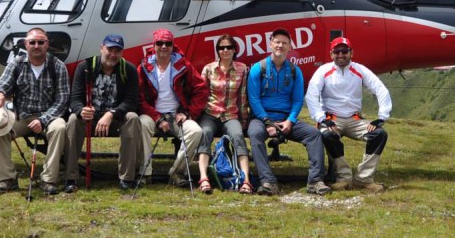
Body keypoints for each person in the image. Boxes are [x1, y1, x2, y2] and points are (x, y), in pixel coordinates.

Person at [246, 28, 330, 195]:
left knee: (313, 134)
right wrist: (267, 121)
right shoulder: (258, 69)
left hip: (286, 118)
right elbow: (253, 99)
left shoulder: (294, 71)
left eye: (284, 43)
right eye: (277, 42)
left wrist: (290, 121)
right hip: (262, 118)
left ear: (290, 47)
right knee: (255, 134)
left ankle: (315, 181)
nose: (280, 46)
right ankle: (268, 181)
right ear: (270, 44)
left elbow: (298, 100)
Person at [0, 28, 70, 196]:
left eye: (41, 42)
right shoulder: (16, 64)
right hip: (22, 116)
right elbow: (2, 84)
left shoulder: (58, 66)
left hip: (49, 116)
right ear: (26, 44)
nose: (36, 46)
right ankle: (7, 179)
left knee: (60, 128)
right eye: (32, 42)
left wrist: (43, 120)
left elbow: (62, 100)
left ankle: (48, 179)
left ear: (47, 45)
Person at [306, 37, 393, 193]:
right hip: (331, 119)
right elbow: (311, 94)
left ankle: (363, 179)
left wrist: (382, 116)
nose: (341, 55)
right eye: (337, 51)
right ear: (331, 54)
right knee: (327, 136)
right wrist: (321, 119)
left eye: (344, 51)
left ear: (351, 53)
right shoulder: (323, 71)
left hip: (354, 119)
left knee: (379, 134)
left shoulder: (359, 70)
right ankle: (344, 177)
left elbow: (380, 89)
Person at [68, 34, 147, 191]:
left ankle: (127, 177)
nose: (113, 54)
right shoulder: (85, 67)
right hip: (90, 117)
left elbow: (131, 101)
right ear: (101, 48)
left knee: (132, 118)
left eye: (117, 51)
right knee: (72, 119)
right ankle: (71, 177)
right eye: (109, 49)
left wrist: (112, 113)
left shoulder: (129, 69)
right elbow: (75, 99)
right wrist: (81, 110)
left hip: (116, 117)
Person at [135, 29, 207, 190]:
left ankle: (176, 172)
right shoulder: (144, 66)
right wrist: (157, 118)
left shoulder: (183, 65)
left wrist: (188, 113)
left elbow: (201, 89)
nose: (164, 47)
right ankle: (145, 173)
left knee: (196, 131)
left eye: (168, 43)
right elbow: (138, 98)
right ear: (153, 45)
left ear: (173, 45)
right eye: (160, 43)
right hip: (152, 114)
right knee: (141, 124)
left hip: (176, 114)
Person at [195, 34, 252, 194]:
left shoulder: (242, 69)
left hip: (230, 115)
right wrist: (197, 117)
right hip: (210, 113)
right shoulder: (208, 68)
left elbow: (242, 98)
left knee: (238, 136)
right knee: (204, 132)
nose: (225, 50)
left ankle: (245, 179)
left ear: (235, 50)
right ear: (217, 51)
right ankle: (204, 177)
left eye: (229, 47)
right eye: (221, 47)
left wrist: (244, 121)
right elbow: (201, 94)